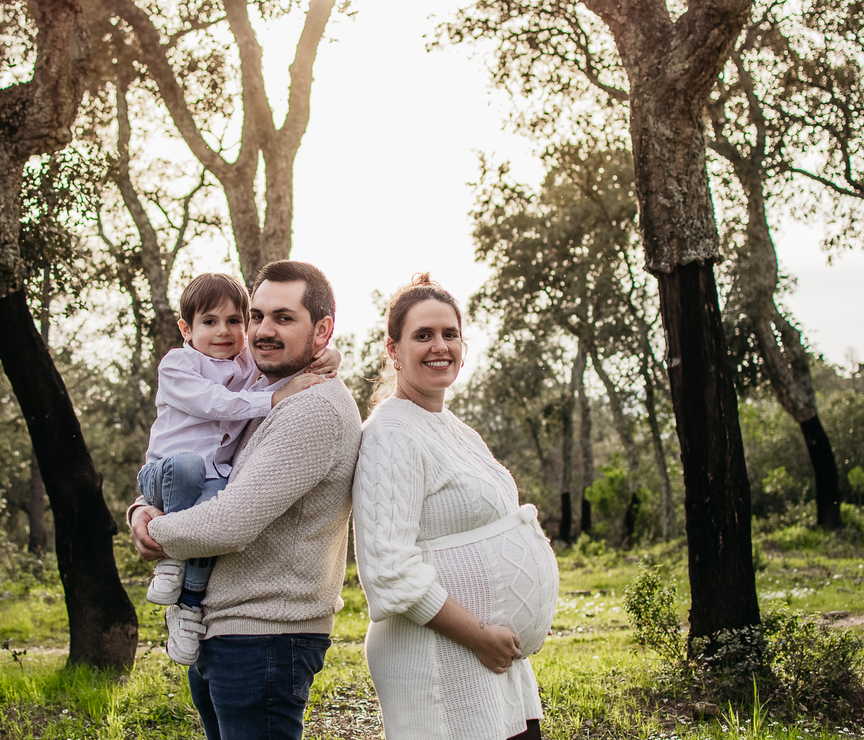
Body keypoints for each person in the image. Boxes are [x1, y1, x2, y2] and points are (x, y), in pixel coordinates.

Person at [127, 260, 362, 740]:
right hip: (230, 627)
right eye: (256, 316)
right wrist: (140, 509)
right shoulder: (263, 387)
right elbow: (195, 458)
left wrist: (154, 530)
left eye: (283, 318)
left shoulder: (311, 406)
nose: (262, 330)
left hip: (266, 634)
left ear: (321, 330)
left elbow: (228, 523)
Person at [352, 274, 559, 740]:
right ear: (393, 350)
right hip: (439, 659)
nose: (439, 346)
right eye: (423, 335)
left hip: (490, 661)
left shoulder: (454, 428)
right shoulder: (391, 435)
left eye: (450, 334)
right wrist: (478, 635)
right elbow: (388, 570)